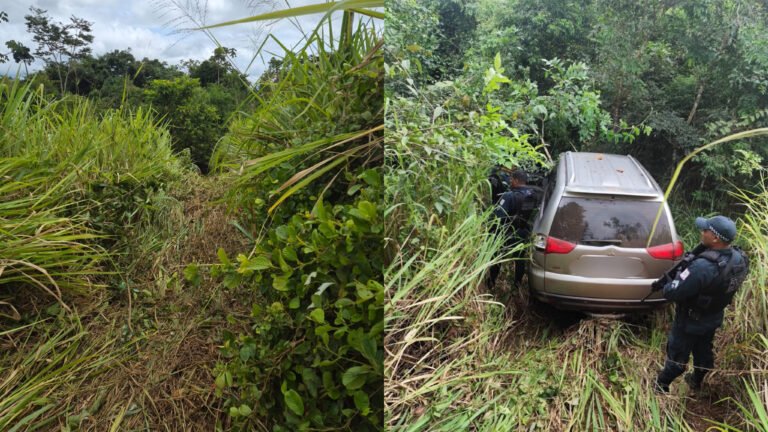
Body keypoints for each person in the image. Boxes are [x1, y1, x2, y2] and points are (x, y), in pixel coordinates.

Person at [654, 215, 749, 394]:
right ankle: (697, 381)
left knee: (677, 359)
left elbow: (672, 292)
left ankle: (660, 387)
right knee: (704, 352)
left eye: (705, 230)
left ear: (715, 238)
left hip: (689, 321)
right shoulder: (739, 258)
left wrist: (668, 284)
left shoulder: (703, 267)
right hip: (713, 317)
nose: (702, 232)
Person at [487, 170, 539, 289]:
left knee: (497, 257)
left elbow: (498, 216)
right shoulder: (532, 195)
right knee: (519, 259)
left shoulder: (509, 196)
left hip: (506, 232)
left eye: (511, 179)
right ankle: (517, 285)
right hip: (522, 232)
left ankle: (491, 283)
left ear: (516, 180)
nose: (510, 181)